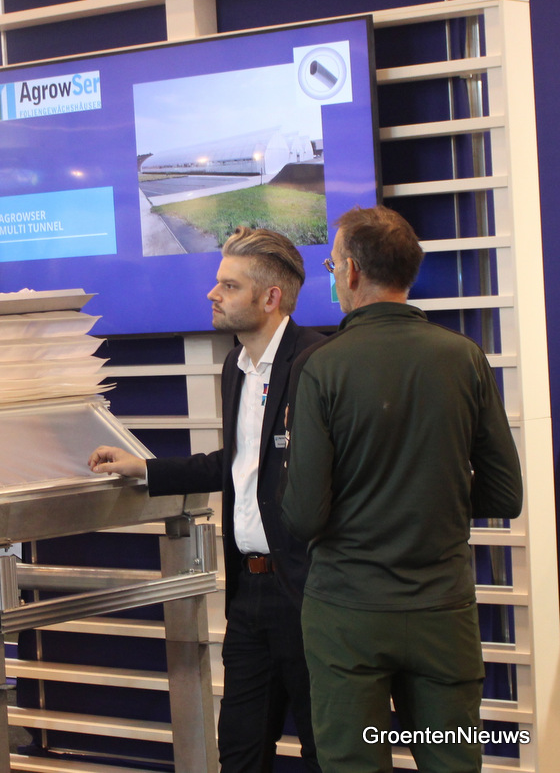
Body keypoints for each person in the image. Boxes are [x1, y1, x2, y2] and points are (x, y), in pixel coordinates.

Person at [281, 205, 523, 772]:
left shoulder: (322, 367)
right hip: (442, 615)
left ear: (352, 272)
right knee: (451, 760)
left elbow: (305, 515)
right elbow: (504, 495)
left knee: (355, 762)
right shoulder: (463, 358)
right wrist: (429, 499)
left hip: (348, 617)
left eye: (332, 265)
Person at [89, 226, 323, 772]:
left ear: (270, 297)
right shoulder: (234, 367)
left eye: (229, 286)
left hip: (310, 593)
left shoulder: (318, 363)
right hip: (248, 591)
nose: (212, 294)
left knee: (327, 752)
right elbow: (238, 463)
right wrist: (146, 468)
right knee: (239, 752)